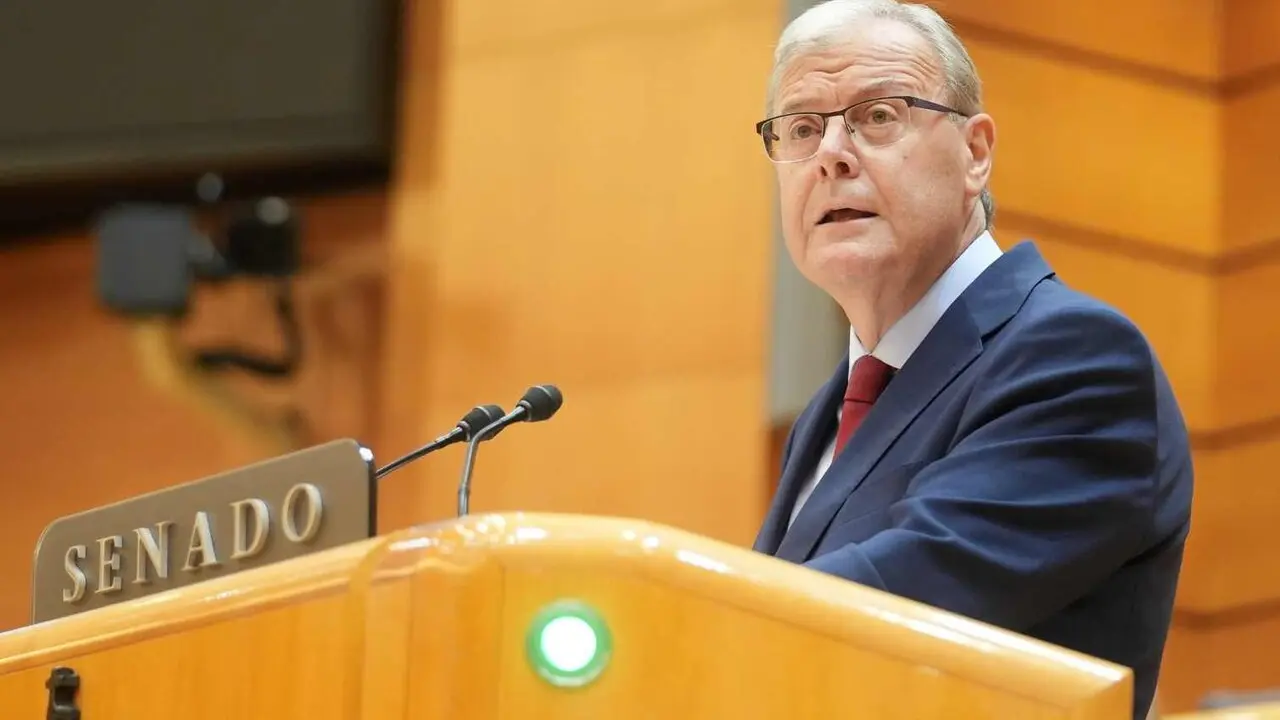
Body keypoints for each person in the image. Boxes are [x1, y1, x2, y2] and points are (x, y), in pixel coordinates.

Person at [750, 2, 1193, 718]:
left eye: (879, 115)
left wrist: (657, 624)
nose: (831, 152)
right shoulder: (827, 413)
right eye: (801, 128)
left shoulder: (1076, 361)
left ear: (975, 154)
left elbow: (904, 607)